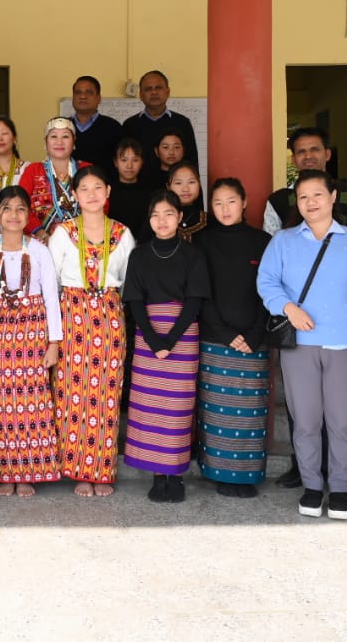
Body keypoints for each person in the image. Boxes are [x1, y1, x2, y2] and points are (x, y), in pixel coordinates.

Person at [256, 169, 347, 521]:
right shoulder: (283, 241)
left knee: (342, 420)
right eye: (303, 197)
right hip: (300, 345)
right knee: (306, 419)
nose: (310, 202)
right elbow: (266, 281)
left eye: (317, 195)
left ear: (332, 198)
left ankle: (341, 489)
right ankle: (312, 486)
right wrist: (288, 308)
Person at [47, 166, 136, 496]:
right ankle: (78, 470)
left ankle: (102, 469)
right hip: (72, 318)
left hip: (110, 318)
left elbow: (128, 280)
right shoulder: (63, 233)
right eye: (84, 189)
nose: (92, 194)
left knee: (106, 396)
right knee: (72, 394)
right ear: (75, 195)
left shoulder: (123, 234)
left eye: (98, 187)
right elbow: (51, 282)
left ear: (108, 192)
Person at [0, 186, 63, 496]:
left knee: (31, 401)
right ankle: (4, 471)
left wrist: (54, 342)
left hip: (32, 332)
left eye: (21, 209)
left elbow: (52, 297)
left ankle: (27, 471)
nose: (14, 215)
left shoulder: (39, 250)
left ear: (28, 215)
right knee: (0, 404)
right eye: (7, 208)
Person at [122, 190, 210, 502]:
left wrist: (170, 340)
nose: (162, 221)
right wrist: (153, 339)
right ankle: (158, 476)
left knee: (177, 409)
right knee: (150, 408)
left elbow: (195, 300)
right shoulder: (139, 254)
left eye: (169, 214)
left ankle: (175, 475)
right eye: (156, 215)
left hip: (182, 337)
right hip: (148, 336)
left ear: (180, 217)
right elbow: (133, 299)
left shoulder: (193, 255)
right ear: (150, 219)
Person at [194, 177, 272, 498]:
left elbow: (270, 291)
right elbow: (200, 292)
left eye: (230, 201)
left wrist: (254, 333)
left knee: (250, 410)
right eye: (217, 203)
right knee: (217, 410)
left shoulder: (264, 241)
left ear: (244, 203)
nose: (224, 209)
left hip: (254, 340)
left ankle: (247, 474)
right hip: (215, 338)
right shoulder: (200, 242)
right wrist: (225, 334)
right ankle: (218, 471)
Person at [263, 128, 347, 236]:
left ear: (327, 154)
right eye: (301, 151)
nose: (308, 156)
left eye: (314, 150)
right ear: (293, 160)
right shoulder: (277, 200)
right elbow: (272, 245)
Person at [120, 70, 199, 186]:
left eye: (158, 88)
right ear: (141, 95)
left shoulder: (182, 123)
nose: (154, 92)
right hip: (140, 190)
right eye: (148, 89)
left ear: (168, 92)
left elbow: (192, 163)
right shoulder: (130, 125)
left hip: (175, 191)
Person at [19, 117, 89, 241]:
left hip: (82, 241)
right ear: (45, 142)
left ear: (74, 141)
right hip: (40, 243)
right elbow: (20, 204)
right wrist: (39, 232)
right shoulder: (33, 170)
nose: (59, 142)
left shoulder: (86, 169)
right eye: (53, 136)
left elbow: (100, 203)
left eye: (66, 137)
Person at [68, 75, 123, 176]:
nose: (82, 96)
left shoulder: (113, 127)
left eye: (88, 92)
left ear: (98, 98)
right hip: (67, 188)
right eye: (78, 92)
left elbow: (121, 164)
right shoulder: (63, 126)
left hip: (103, 188)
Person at [109, 138, 151, 239]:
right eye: (124, 160)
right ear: (115, 162)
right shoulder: (107, 191)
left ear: (142, 162)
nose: (129, 165)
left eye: (135, 160)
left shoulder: (150, 193)